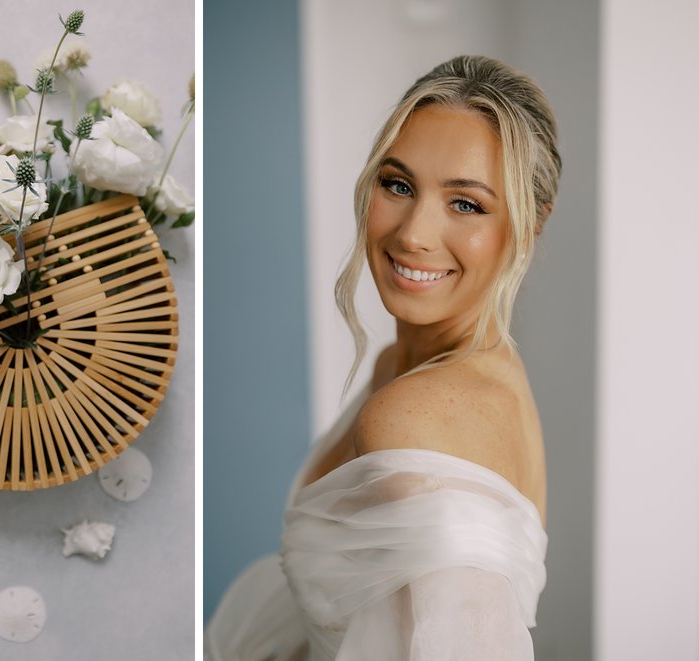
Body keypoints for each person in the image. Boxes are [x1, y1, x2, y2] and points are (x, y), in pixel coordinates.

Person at [205, 55, 561, 660]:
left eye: (466, 204)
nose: (413, 233)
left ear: (528, 228)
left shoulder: (417, 416)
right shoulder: (407, 366)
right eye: (398, 185)